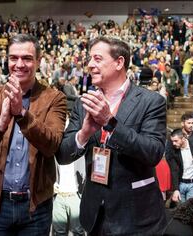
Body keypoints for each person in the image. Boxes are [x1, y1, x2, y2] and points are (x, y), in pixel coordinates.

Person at [56, 36, 167, 235]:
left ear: (119, 62)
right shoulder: (84, 104)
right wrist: (83, 134)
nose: (90, 65)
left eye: (97, 59)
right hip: (95, 216)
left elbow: (153, 152)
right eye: (89, 59)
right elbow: (63, 155)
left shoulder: (151, 101)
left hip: (137, 217)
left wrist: (110, 122)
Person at [0, 34, 67, 235]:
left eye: (27, 58)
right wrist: (1, 123)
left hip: (35, 208)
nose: (19, 64)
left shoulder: (54, 98)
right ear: (7, 60)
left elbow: (52, 146)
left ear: (38, 61)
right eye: (14, 58)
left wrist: (21, 113)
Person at [166, 128, 193, 203]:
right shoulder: (173, 150)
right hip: (181, 184)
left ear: (183, 138)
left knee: (190, 210)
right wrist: (176, 189)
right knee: (181, 211)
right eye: (172, 141)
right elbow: (174, 170)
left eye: (176, 141)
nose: (173, 143)